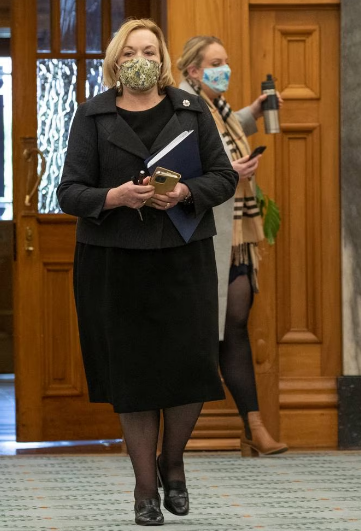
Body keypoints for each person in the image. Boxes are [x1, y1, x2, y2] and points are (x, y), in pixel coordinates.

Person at [57, 20, 238, 526]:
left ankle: (172, 464)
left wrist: (184, 193)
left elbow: (222, 178)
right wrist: (113, 196)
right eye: (132, 50)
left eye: (150, 50)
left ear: (162, 59)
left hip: (183, 254)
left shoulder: (190, 108)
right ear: (117, 59)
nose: (142, 57)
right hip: (115, 263)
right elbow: (68, 192)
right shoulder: (91, 115)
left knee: (189, 369)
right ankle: (143, 489)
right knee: (133, 376)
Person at [177, 35, 288, 457]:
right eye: (215, 62)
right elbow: (191, 160)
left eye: (226, 61)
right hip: (205, 239)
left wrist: (255, 112)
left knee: (234, 326)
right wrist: (229, 172)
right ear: (192, 70)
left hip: (235, 237)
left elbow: (224, 128)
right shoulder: (184, 109)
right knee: (214, 332)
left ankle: (253, 428)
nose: (225, 69)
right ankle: (177, 440)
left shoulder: (215, 106)